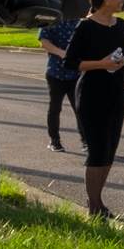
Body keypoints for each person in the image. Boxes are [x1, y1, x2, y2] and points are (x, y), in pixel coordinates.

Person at [61, 0, 124, 218]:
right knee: (97, 151)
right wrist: (102, 64)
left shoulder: (120, 25)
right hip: (91, 96)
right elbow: (70, 62)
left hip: (115, 95)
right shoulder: (86, 27)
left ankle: (99, 202)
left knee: (109, 151)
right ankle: (94, 205)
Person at [37, 12, 82, 153]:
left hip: (75, 73)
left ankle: (86, 140)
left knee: (80, 108)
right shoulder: (50, 18)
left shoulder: (77, 20)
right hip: (55, 72)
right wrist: (61, 53)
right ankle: (54, 140)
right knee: (55, 108)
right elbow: (44, 41)